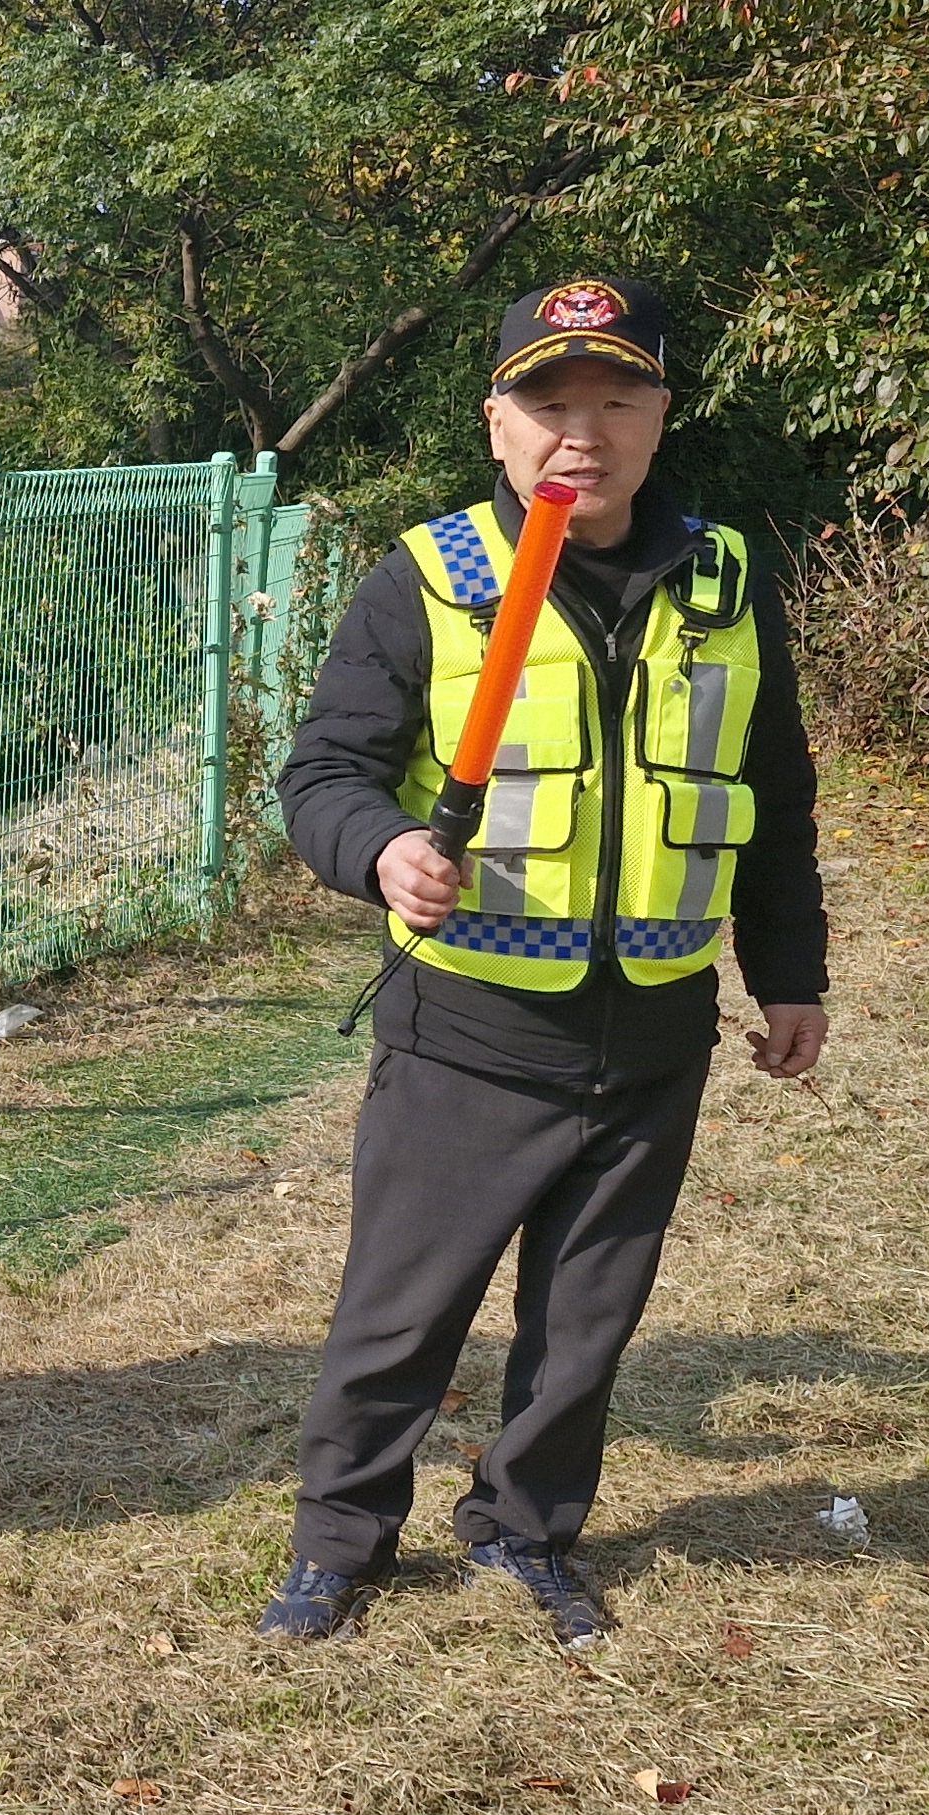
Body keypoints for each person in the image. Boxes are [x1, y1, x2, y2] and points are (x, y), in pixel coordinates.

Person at [264, 277, 831, 1647]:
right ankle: (339, 1546)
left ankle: (525, 1532)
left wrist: (790, 973)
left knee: (587, 1319)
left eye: (616, 400)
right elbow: (324, 774)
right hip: (470, 1025)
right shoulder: (429, 578)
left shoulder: (726, 584)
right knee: (402, 1316)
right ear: (497, 423)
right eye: (551, 402)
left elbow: (773, 794)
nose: (584, 431)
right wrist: (383, 850)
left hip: (656, 1027)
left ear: (660, 416)